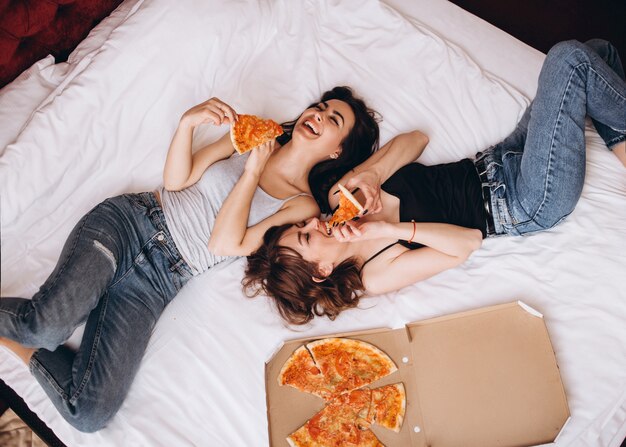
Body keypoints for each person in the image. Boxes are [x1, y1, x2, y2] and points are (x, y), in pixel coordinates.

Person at [0, 86, 382, 432]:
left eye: (333, 119)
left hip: (160, 280)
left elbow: (223, 243)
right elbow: (176, 180)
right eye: (318, 107)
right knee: (46, 327)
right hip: (132, 223)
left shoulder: (301, 206)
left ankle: (17, 340)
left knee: (89, 412)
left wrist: (252, 173)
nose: (317, 114)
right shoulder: (252, 135)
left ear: (337, 151)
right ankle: (36, 328)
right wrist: (188, 123)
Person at [244, 39, 626, 326]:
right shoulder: (376, 273)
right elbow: (467, 242)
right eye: (307, 236)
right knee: (569, 60)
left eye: (300, 225)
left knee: (599, 52)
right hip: (523, 202)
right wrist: (390, 228)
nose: (312, 221)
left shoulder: (340, 196)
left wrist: (371, 176)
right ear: (322, 271)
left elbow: (415, 140)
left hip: (497, 159)